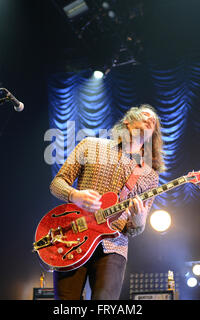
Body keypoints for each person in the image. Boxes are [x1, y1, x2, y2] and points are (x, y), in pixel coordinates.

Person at [49, 104, 165, 300]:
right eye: (145, 115)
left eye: (154, 121)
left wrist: (139, 220)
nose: (150, 119)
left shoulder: (150, 176)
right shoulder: (90, 145)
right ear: (127, 121)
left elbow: (135, 229)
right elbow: (56, 184)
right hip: (73, 236)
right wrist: (75, 196)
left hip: (113, 245)